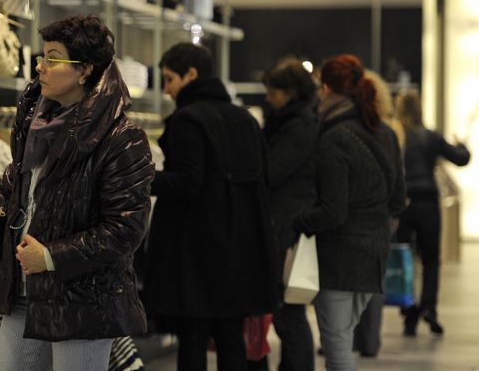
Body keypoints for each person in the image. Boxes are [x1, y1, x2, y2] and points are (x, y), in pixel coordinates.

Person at [0, 15, 155, 371]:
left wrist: (51, 256)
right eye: (42, 56)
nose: (40, 67)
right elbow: (5, 201)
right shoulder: (35, 124)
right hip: (24, 293)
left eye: (52, 58)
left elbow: (126, 229)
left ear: (84, 70)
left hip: (82, 302)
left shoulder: (122, 139)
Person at [144, 42, 280, 371]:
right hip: (241, 251)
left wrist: (141, 177)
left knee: (193, 340)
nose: (167, 89)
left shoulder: (187, 121)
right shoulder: (245, 120)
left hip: (197, 255)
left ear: (191, 75)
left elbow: (188, 182)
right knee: (231, 338)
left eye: (170, 79)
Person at [292, 54, 406, 371]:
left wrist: (299, 221)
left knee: (337, 347)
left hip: (340, 257)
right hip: (375, 256)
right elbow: (398, 200)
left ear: (325, 88)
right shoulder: (384, 133)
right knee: (343, 338)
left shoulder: (333, 138)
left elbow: (333, 211)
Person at [395, 90, 471, 336]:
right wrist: (462, 144)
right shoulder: (431, 136)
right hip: (428, 201)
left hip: (403, 202)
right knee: (430, 259)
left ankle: (408, 311)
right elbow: (461, 159)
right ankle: (429, 306)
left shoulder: (396, 136)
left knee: (403, 259)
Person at [262, 58, 318, 371]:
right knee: (288, 312)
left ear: (291, 93)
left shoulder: (298, 127)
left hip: (287, 226)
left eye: (274, 92)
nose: (269, 98)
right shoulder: (297, 122)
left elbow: (272, 171)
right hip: (287, 222)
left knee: (288, 312)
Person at [352, 69, 406, 357]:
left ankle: (354, 337)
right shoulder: (391, 128)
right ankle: (369, 340)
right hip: (384, 210)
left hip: (365, 211)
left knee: (353, 279)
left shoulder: (352, 130)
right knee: (375, 277)